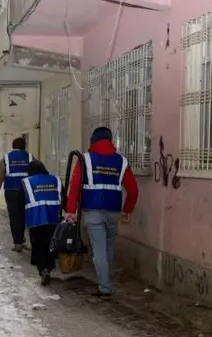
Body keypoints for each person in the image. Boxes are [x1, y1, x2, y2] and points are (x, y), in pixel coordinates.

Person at [64, 127, 140, 297]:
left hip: (93, 210)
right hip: (113, 210)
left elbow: (75, 186)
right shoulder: (121, 161)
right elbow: (133, 190)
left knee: (99, 249)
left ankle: (104, 287)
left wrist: (71, 210)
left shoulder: (85, 159)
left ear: (93, 140)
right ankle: (105, 280)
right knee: (109, 246)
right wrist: (128, 209)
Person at [22, 160, 61, 286]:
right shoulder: (56, 180)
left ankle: (43, 270)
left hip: (36, 219)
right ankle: (48, 268)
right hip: (53, 219)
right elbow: (64, 196)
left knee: (38, 245)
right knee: (50, 244)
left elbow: (20, 202)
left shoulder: (27, 182)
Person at [0, 137, 32, 252]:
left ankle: (18, 243)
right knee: (24, 215)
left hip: (11, 191)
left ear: (13, 146)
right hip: (26, 191)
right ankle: (21, 237)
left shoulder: (6, 158)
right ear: (24, 145)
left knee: (14, 217)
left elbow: (0, 175)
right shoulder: (30, 157)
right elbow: (37, 171)